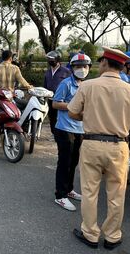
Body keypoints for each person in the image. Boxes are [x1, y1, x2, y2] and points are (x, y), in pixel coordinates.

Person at [68, 47, 130, 250]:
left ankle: (90, 234)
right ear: (122, 67)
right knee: (116, 193)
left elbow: (72, 112)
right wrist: (118, 123)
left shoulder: (88, 86)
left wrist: (92, 118)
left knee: (89, 191)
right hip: (119, 146)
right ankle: (112, 236)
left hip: (92, 144)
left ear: (104, 63)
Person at [52, 53, 92, 212]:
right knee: (64, 162)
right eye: (77, 66)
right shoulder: (65, 84)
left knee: (74, 161)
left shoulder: (87, 85)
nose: (81, 69)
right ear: (72, 68)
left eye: (84, 66)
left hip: (80, 129)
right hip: (65, 128)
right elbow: (55, 103)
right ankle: (60, 195)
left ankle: (69, 189)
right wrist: (73, 106)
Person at [43, 50, 71, 137]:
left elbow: (70, 84)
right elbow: (45, 85)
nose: (50, 61)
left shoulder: (66, 71)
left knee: (61, 117)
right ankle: (54, 134)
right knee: (52, 117)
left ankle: (61, 134)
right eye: (49, 59)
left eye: (52, 59)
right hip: (50, 99)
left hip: (61, 100)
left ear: (57, 59)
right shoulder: (47, 72)